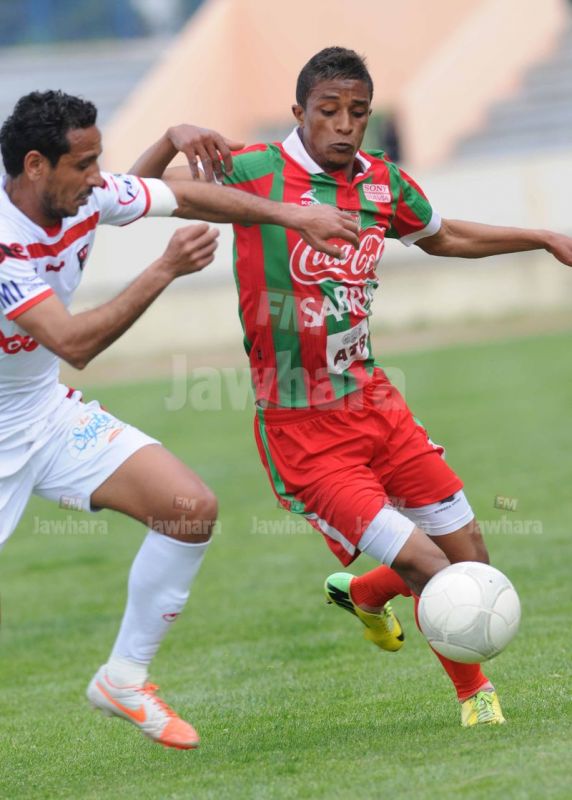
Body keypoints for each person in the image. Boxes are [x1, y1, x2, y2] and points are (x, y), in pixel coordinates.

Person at [132, 46, 572, 728]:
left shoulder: (382, 184)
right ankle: (476, 697)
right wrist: (171, 137)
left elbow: (444, 236)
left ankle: (365, 591)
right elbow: (129, 195)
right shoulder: (254, 171)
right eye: (328, 110)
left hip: (375, 403)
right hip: (303, 426)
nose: (344, 125)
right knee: (430, 565)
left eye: (358, 112)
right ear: (299, 112)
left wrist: (541, 236)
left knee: (470, 556)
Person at [0, 90, 360, 750]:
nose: (99, 178)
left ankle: (124, 679)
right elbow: (74, 343)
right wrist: (164, 268)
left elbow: (187, 196)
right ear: (33, 165)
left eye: (98, 161)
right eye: (84, 164)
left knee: (188, 508)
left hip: (43, 414)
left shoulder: (82, 193)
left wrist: (289, 213)